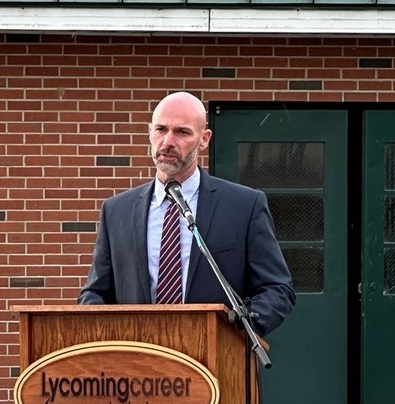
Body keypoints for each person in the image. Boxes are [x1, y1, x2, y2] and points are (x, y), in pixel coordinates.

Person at [78, 91, 295, 335]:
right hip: (137, 363)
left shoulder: (244, 205)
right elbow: (95, 293)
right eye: (161, 129)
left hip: (216, 361)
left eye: (182, 132)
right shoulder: (116, 211)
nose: (168, 142)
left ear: (204, 139)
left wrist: (235, 328)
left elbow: (277, 289)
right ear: (150, 132)